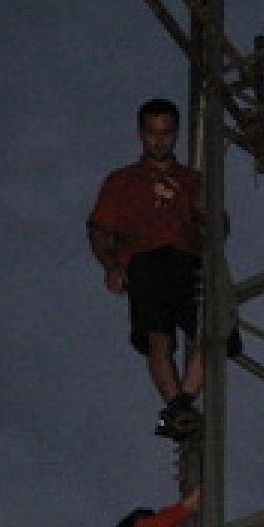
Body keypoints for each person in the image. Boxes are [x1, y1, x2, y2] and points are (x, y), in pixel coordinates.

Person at [87, 98, 206, 443]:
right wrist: (111, 266)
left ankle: (182, 403)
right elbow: (99, 229)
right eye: (152, 133)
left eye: (166, 133)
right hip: (145, 259)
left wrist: (208, 217)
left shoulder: (193, 180)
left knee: (215, 332)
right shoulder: (123, 180)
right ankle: (177, 405)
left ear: (176, 134)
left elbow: (217, 226)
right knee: (158, 337)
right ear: (141, 134)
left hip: (188, 259)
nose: (159, 141)